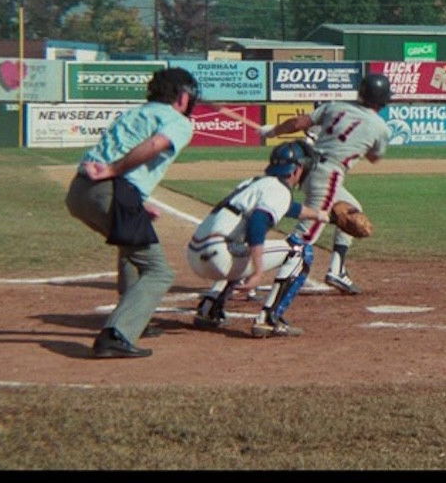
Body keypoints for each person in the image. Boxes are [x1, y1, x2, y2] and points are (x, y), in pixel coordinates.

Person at [64, 67, 199, 358]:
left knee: (131, 248)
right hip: (112, 189)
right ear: (183, 97)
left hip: (80, 191)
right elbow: (155, 145)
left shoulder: (135, 113)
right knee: (159, 271)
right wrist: (115, 172)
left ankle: (135, 319)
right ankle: (117, 334)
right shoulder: (177, 121)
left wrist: (136, 201)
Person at [257, 72, 391, 297]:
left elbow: (297, 123)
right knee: (304, 236)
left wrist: (271, 131)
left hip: (307, 167)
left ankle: (337, 270)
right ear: (384, 100)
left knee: (351, 211)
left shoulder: (335, 106)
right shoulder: (381, 128)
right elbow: (374, 157)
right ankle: (247, 271)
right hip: (328, 175)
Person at [187, 141, 330, 338]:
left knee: (241, 246)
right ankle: (269, 320)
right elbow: (258, 223)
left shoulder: (256, 183)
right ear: (296, 170)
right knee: (300, 251)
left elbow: (288, 208)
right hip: (221, 257)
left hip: (196, 255)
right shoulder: (279, 190)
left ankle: (209, 309)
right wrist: (258, 271)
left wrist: (319, 215)